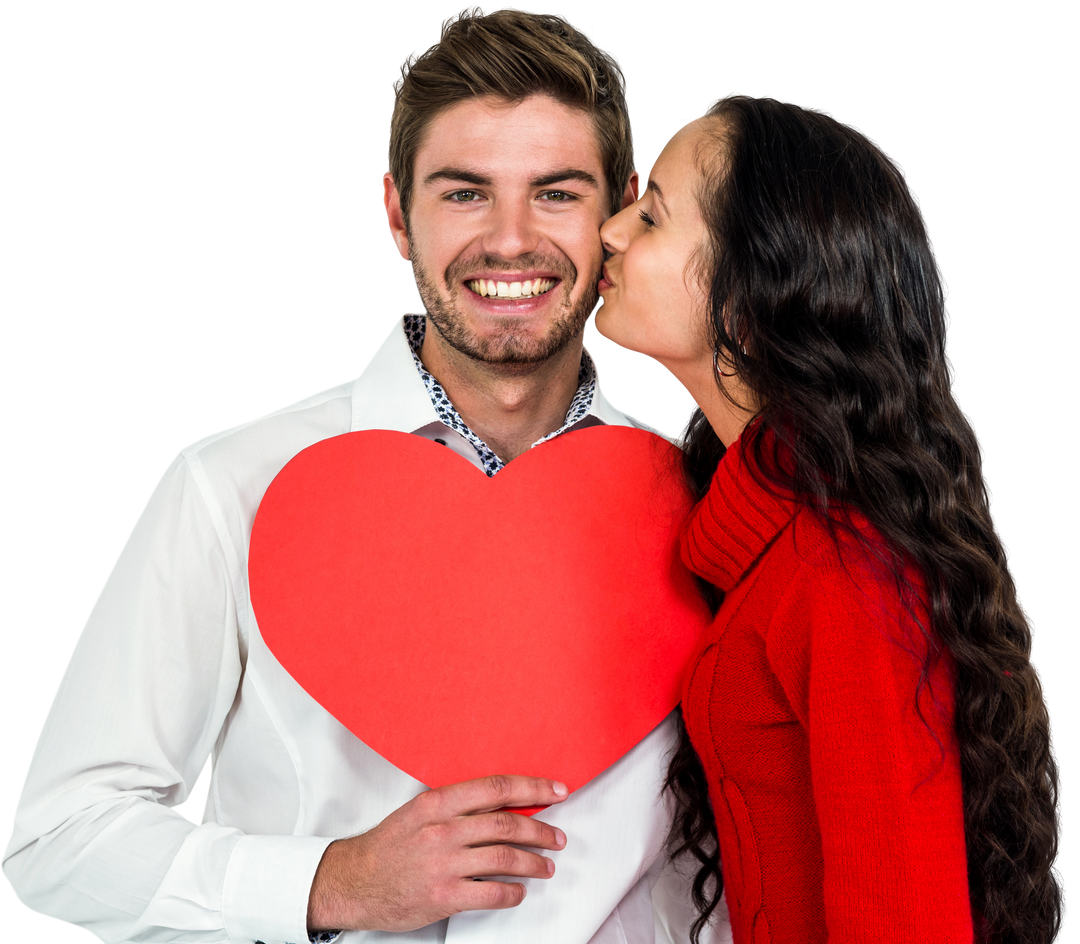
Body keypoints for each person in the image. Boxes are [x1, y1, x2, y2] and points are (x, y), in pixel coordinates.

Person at [1, 7, 733, 943]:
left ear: (622, 213)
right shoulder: (231, 485)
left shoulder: (709, 497)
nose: (511, 241)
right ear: (394, 211)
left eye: (556, 193)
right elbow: (59, 841)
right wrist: (332, 881)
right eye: (464, 194)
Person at [592, 88, 1068, 943]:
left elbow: (904, 919)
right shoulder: (761, 546)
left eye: (652, 218)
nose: (610, 232)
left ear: (751, 293)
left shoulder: (843, 574)